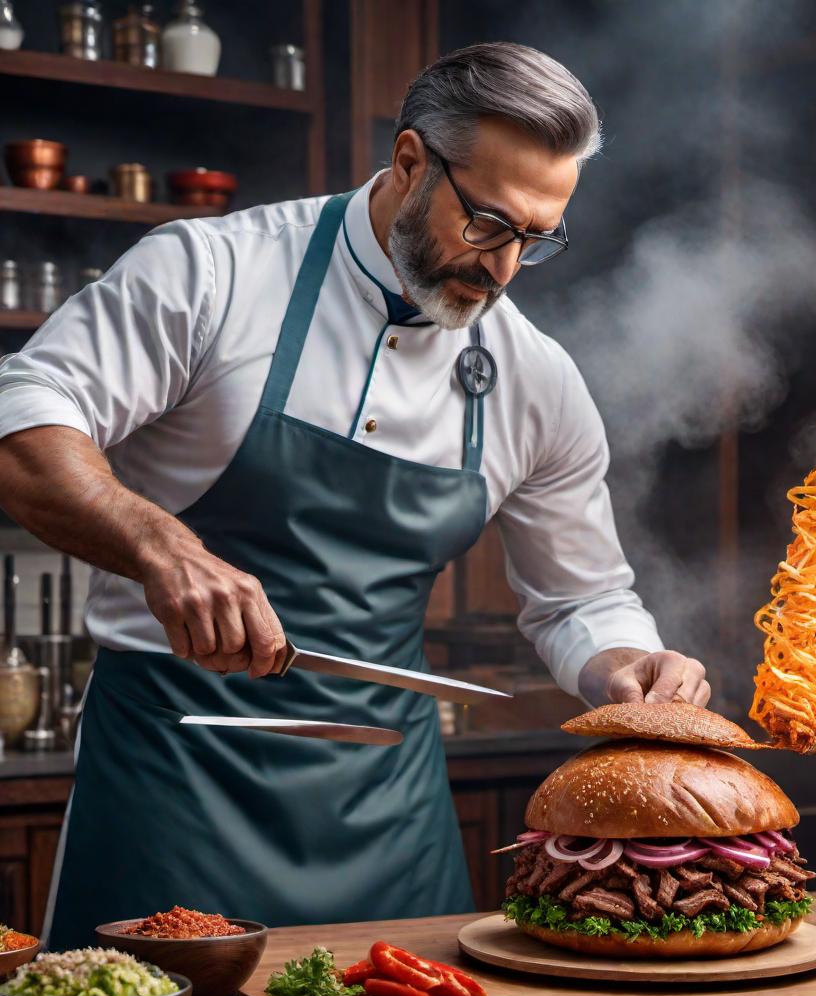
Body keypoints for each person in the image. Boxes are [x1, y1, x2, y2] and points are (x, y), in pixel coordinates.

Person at [0, 42, 710, 949]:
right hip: (175, 781)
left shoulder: (538, 378)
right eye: (489, 224)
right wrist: (160, 547)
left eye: (537, 240)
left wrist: (626, 665)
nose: (503, 269)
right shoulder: (213, 272)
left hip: (389, 809)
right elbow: (23, 419)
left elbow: (583, 595)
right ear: (410, 162)